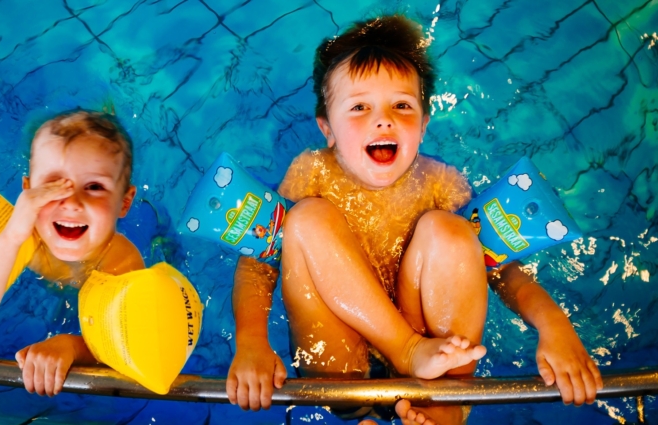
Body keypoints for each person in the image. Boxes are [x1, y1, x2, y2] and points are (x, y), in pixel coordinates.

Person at [225, 15, 602, 425]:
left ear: (423, 125)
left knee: (454, 232)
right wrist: (251, 342)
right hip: (341, 364)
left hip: (431, 354)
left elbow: (501, 268)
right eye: (359, 107)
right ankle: (364, 407)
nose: (383, 120)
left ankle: (441, 408)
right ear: (326, 128)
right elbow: (258, 260)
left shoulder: (441, 182)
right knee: (306, 220)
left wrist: (554, 326)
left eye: (401, 105)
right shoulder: (311, 172)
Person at [0, 110, 145, 397]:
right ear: (27, 191)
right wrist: (12, 236)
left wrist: (72, 347)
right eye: (54, 184)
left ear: (124, 202)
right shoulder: (23, 236)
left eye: (94, 187)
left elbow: (126, 343)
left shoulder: (122, 262)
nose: (72, 202)